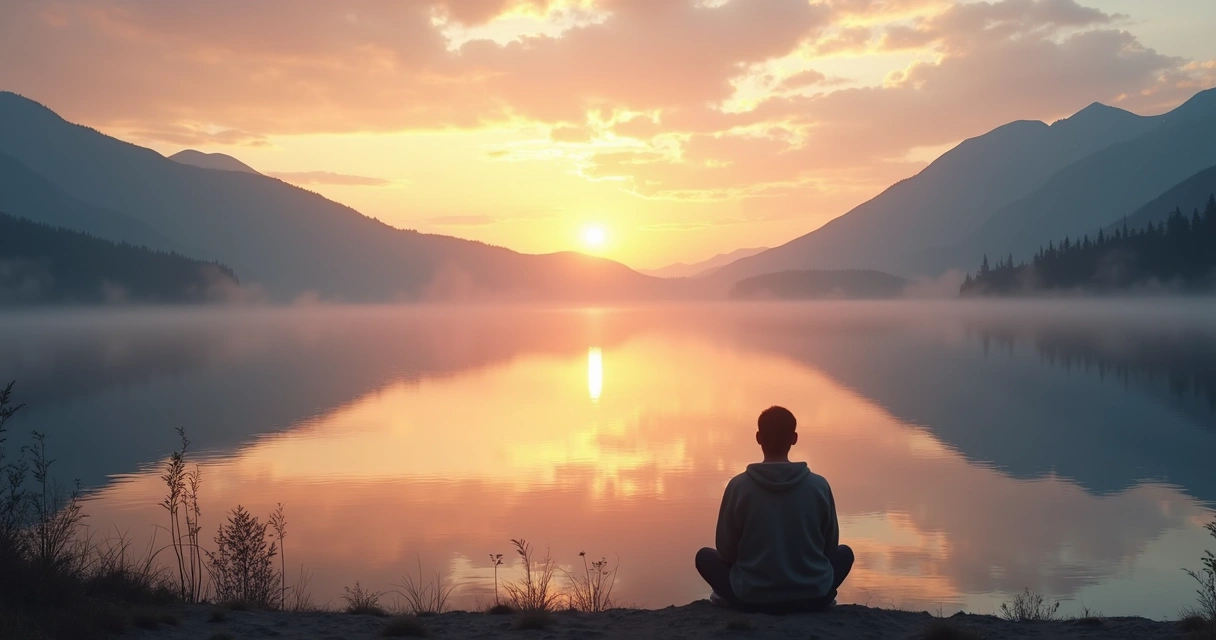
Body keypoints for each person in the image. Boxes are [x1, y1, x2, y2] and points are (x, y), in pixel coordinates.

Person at [695, 406, 853, 614]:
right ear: (794, 438)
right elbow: (830, 548)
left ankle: (730, 598)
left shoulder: (739, 486)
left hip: (751, 597)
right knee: (844, 554)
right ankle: (820, 597)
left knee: (704, 557)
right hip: (812, 596)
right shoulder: (819, 486)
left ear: (759, 438)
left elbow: (726, 552)